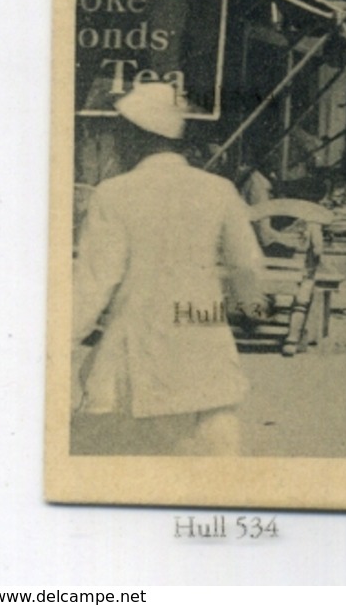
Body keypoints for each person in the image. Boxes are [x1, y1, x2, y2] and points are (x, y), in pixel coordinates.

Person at [72, 83, 267, 456]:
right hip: (204, 342)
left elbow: (94, 283)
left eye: (119, 133)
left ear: (137, 135)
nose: (115, 142)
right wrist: (252, 309)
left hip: (139, 352)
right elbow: (247, 265)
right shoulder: (218, 189)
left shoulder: (113, 194)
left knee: (138, 471)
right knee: (214, 464)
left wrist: (57, 345)